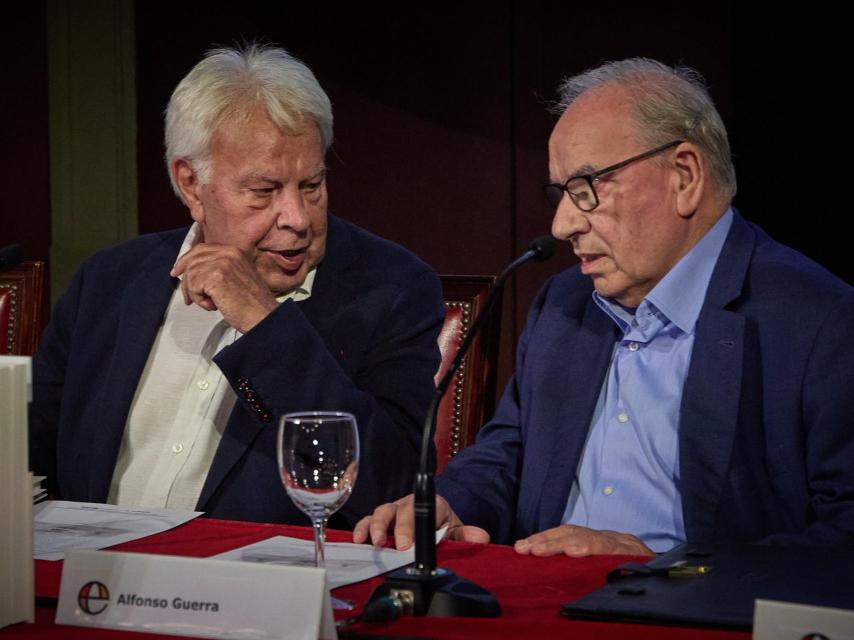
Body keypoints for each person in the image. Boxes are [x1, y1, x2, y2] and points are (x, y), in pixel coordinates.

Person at [354, 58, 854, 556]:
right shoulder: (564, 303)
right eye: (561, 192)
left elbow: (843, 537)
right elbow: (508, 456)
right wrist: (448, 502)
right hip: (543, 602)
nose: (562, 223)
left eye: (586, 187)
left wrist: (661, 567)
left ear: (684, 175)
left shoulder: (819, 321)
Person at [29, 44, 445, 527]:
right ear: (190, 184)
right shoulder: (109, 282)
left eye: (311, 186)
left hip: (262, 590)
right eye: (263, 191)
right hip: (97, 585)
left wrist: (265, 325)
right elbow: (26, 459)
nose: (296, 219)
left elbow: (391, 487)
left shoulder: (391, 289)